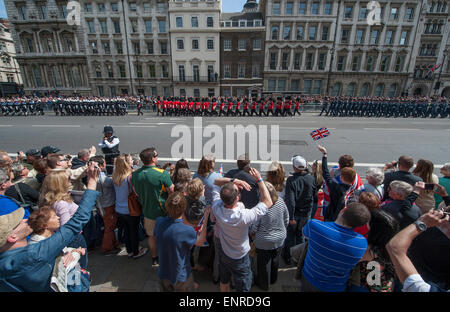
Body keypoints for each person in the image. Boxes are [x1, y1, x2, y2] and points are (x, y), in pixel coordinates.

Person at [0, 163, 100, 292]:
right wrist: (92, 182)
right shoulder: (34, 254)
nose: (25, 220)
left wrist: (69, 253)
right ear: (12, 237)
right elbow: (74, 224)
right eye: (18, 223)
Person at [210, 168, 272, 292]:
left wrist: (234, 180)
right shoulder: (244, 216)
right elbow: (268, 201)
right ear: (237, 198)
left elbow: (216, 182)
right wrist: (259, 179)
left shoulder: (216, 207)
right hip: (240, 257)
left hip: (224, 252)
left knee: (224, 280)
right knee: (243, 287)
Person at [300, 202, 371, 292]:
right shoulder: (362, 243)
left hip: (310, 279)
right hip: (336, 286)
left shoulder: (314, 225)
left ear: (343, 210)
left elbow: (305, 235)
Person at [155, 192, 209, 291]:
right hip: (180, 276)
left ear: (167, 205)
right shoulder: (187, 231)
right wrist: (205, 218)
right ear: (184, 208)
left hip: (163, 273)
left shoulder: (159, 222)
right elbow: (201, 242)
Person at [386, 209, 449, 292]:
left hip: (409, 275)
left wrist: (422, 223)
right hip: (431, 277)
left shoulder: (424, 230)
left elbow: (395, 248)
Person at [132, 147, 174, 265]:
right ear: (152, 159)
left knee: (151, 236)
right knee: (165, 236)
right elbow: (172, 192)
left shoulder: (135, 174)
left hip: (147, 210)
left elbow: (136, 192)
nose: (157, 157)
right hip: (162, 211)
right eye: (156, 155)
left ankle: (155, 257)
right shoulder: (162, 174)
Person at [347, 210, 399, 292]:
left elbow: (348, 262)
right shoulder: (394, 246)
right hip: (386, 283)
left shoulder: (368, 250)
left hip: (365, 286)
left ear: (375, 228)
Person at [250, 182, 289, 291]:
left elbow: (255, 227)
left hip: (264, 240)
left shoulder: (261, 207)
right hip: (280, 237)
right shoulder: (281, 202)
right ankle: (273, 279)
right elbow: (286, 218)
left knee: (263, 264)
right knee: (275, 260)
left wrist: (252, 233)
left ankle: (264, 284)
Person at [282, 155, 317, 265]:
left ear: (294, 167)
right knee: (301, 235)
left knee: (290, 236)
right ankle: (299, 258)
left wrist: (291, 217)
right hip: (306, 213)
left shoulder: (291, 180)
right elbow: (314, 196)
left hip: (295, 214)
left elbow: (291, 200)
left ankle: (289, 257)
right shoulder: (311, 178)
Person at [112, 155, 148, 259]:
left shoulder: (115, 176)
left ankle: (129, 251)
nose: (133, 161)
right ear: (126, 164)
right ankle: (136, 252)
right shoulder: (130, 177)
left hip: (119, 208)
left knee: (126, 231)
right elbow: (136, 192)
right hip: (130, 209)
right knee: (134, 231)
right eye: (131, 160)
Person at [317, 145, 356, 222]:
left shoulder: (335, 186)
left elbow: (325, 173)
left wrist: (324, 155)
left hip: (331, 213)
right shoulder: (356, 181)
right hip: (346, 216)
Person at [91, 155, 119, 255]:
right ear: (101, 165)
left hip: (100, 205)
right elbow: (115, 183)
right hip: (108, 205)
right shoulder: (104, 179)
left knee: (109, 226)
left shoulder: (92, 177)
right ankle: (107, 248)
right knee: (109, 227)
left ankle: (113, 243)